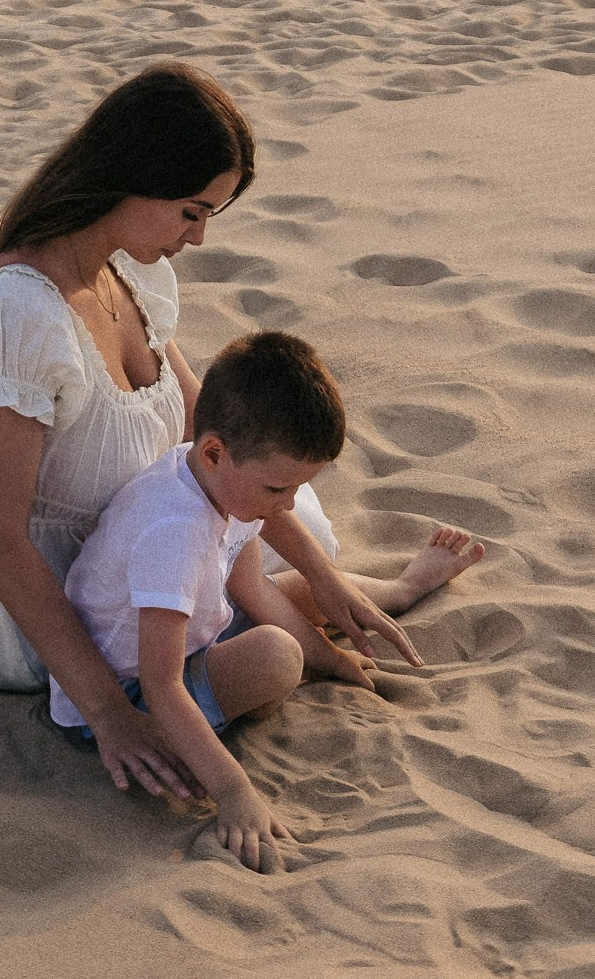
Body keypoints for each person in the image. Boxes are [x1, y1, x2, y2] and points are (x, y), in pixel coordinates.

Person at [0, 63, 483, 803]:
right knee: (246, 588)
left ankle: (363, 593)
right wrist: (111, 715)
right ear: (130, 176)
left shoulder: (133, 277)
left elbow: (208, 434)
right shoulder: (17, 314)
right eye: (190, 210)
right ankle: (205, 664)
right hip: (23, 601)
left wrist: (320, 575)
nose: (201, 236)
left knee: (300, 526)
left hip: (128, 530)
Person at [55, 329, 407, 871]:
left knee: (296, 597)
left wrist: (332, 660)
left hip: (198, 626)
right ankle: (220, 727)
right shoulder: (174, 531)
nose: (288, 505)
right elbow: (161, 681)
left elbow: (253, 588)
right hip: (126, 693)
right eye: (277, 489)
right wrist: (236, 793)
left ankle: (403, 590)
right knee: (276, 656)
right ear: (216, 451)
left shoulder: (218, 484)